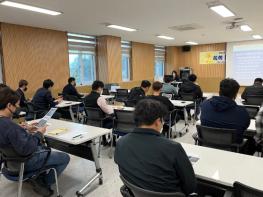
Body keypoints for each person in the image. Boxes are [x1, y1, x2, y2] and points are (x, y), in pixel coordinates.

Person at [114, 99, 196, 195]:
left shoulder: (120, 143)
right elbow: (191, 187)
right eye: (163, 120)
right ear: (158, 121)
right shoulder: (173, 148)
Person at [0, 87, 70, 196]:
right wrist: (39, 133)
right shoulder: (11, 127)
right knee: (65, 157)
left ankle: (38, 177)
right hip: (25, 162)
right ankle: (44, 183)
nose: (17, 108)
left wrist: (23, 128)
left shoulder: (7, 124)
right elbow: (27, 149)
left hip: (9, 164)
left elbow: (8, 134)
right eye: (16, 106)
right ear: (9, 105)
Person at [200, 78, 255, 154]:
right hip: (233, 151)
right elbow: (245, 127)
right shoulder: (242, 112)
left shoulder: (205, 105)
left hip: (208, 148)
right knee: (251, 139)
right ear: (235, 95)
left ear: (219, 91)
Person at [84, 80, 113, 145]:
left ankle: (104, 139)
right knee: (114, 118)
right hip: (101, 122)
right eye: (102, 88)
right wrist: (113, 109)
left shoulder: (86, 98)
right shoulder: (100, 98)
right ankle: (112, 141)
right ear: (99, 88)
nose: (102, 90)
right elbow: (108, 111)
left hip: (90, 122)